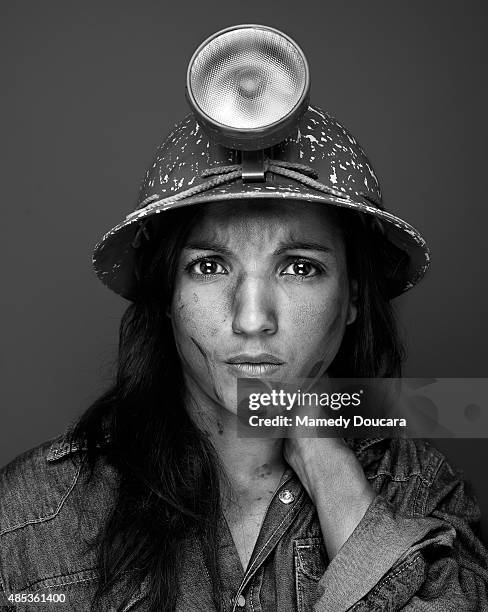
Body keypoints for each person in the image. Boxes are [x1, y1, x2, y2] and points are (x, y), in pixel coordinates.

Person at [1, 24, 487, 612]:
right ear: (165, 294)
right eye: (209, 266)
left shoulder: (421, 492)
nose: (252, 318)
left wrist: (325, 460)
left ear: (355, 296)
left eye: (299, 268)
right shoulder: (30, 515)